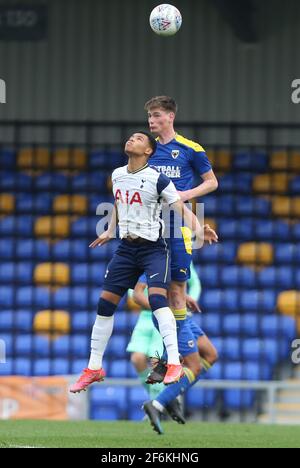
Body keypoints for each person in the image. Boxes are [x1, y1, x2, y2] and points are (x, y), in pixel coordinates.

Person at [70, 131, 214, 393]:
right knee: (104, 304)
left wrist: (199, 228)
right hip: (126, 248)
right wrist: (109, 230)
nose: (131, 139)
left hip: (153, 249)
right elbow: (119, 203)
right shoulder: (117, 175)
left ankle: (172, 364)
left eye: (138, 138)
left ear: (148, 150)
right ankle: (93, 368)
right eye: (130, 137)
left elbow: (181, 208)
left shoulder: (159, 180)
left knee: (158, 300)